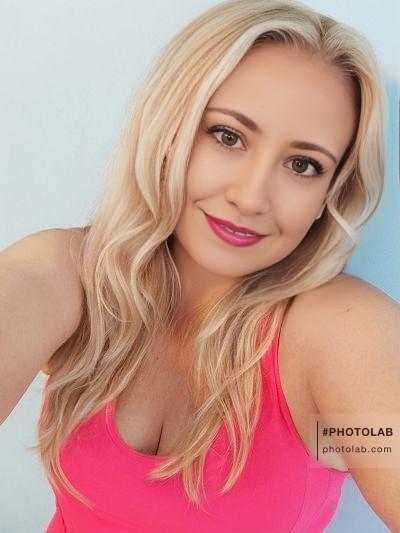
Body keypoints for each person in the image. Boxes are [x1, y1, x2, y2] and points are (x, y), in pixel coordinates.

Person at [1, 0, 399, 531]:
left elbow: (373, 436)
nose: (251, 197)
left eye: (303, 165)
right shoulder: (75, 280)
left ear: (331, 194)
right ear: (171, 132)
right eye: (228, 136)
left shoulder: (338, 336)